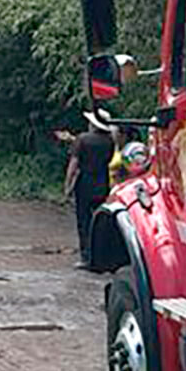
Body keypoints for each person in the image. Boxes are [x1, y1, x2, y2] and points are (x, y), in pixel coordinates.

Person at [63, 110, 118, 270]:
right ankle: (104, 257)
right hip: (103, 182)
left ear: (93, 124)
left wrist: (68, 185)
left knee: (84, 221)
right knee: (101, 220)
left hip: (85, 182)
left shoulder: (82, 139)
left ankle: (87, 258)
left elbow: (74, 164)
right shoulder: (110, 141)